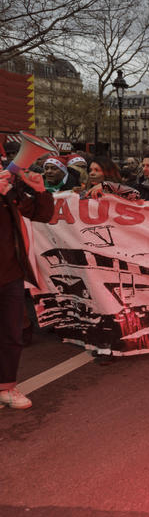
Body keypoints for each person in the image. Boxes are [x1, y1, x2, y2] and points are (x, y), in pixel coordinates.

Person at [1, 167, 55, 409]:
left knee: (11, 334)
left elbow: (42, 214)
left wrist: (40, 190)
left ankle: (6, 387)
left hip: (10, 272)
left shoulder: (9, 191)